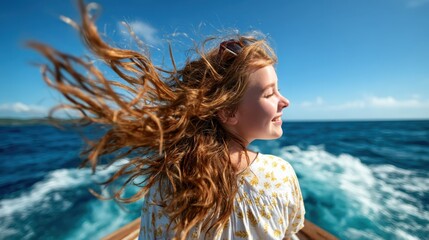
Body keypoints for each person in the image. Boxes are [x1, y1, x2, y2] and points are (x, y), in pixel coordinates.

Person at [30, 0, 305, 239]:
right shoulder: (279, 175)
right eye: (270, 93)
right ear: (227, 112)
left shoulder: (167, 181)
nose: (285, 101)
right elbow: (291, 231)